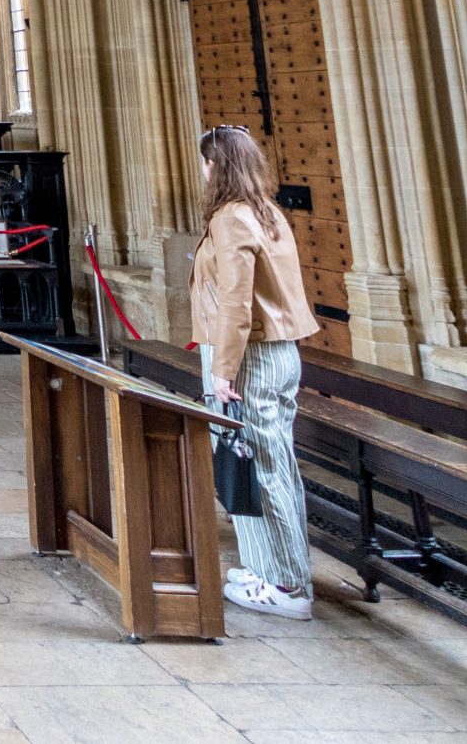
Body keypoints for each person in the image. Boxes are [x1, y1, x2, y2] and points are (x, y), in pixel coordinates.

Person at [190, 124, 321, 619]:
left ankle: (286, 586)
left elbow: (236, 301)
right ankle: (268, 568)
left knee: (257, 467)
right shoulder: (266, 212)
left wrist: (223, 370)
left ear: (215, 166)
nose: (203, 171)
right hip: (277, 352)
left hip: (247, 357)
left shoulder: (231, 219)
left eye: (206, 163)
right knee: (266, 463)